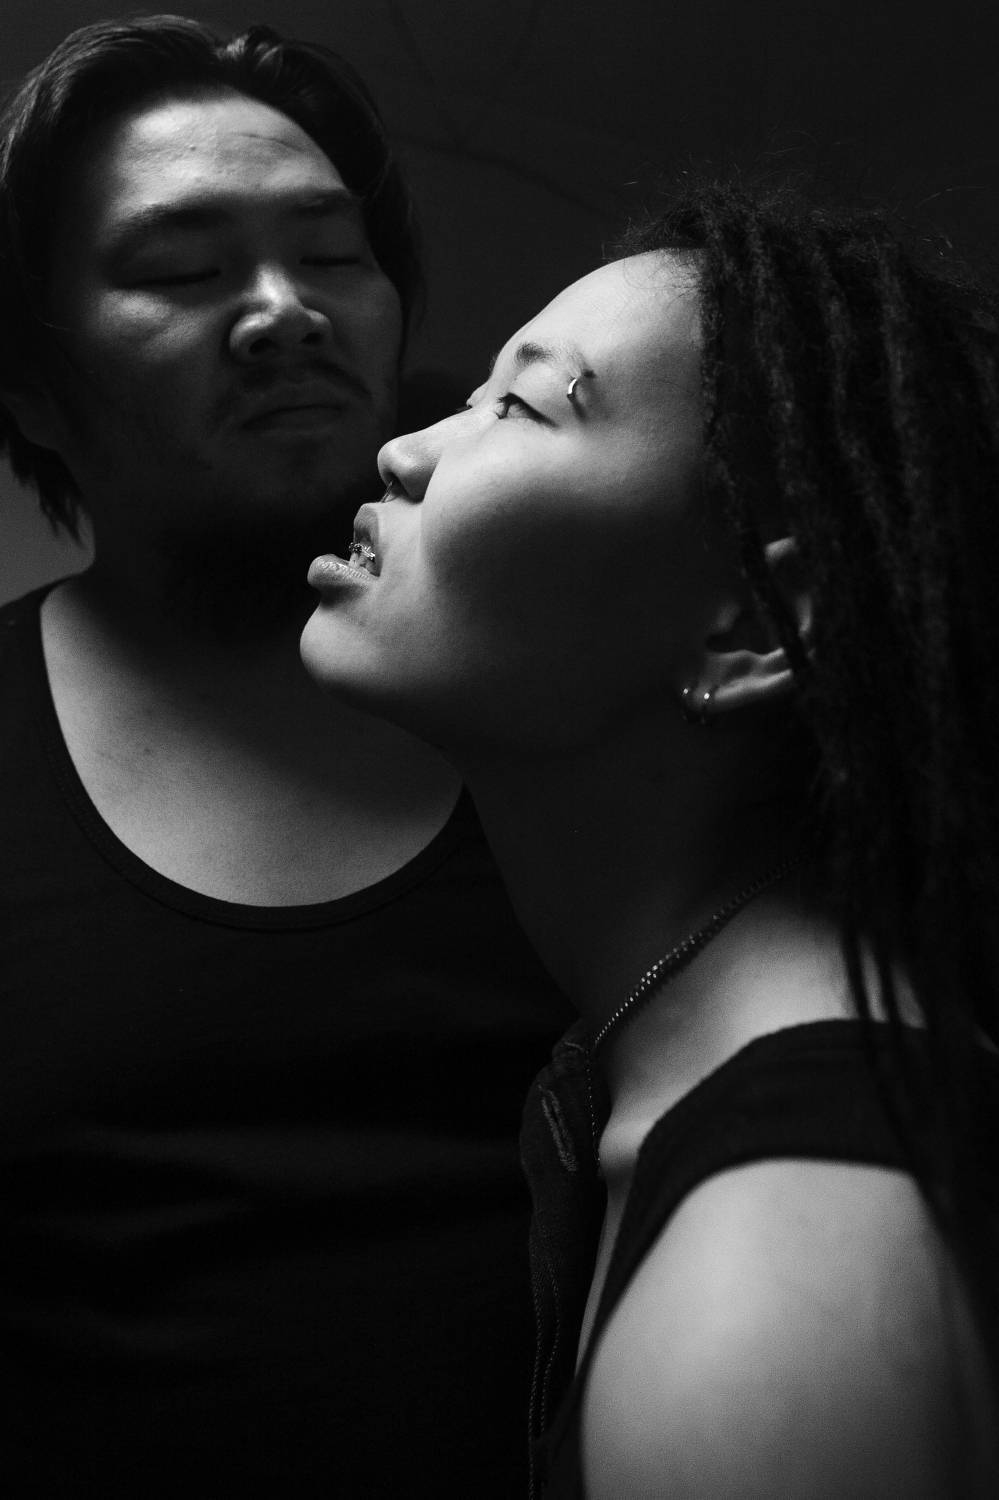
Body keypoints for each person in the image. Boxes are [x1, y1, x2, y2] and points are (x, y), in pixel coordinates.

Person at [301, 179, 999, 1497]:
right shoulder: (689, 1087)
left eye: (523, 405)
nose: (406, 450)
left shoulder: (776, 1294)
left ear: (747, 631)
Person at [0, 15, 569, 1496]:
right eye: (185, 271)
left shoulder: (592, 703)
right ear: (31, 385)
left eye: (330, 253)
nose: (284, 312)